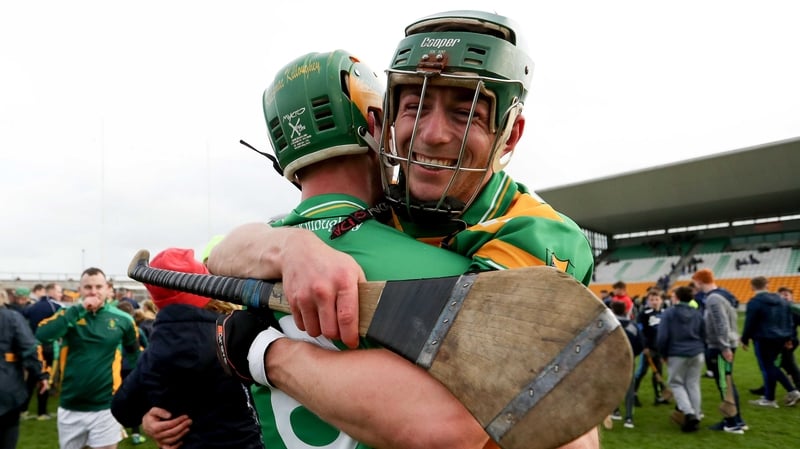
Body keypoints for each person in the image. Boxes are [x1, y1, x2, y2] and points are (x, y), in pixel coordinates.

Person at [206, 10, 596, 449]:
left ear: (511, 133)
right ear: (384, 121)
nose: (432, 135)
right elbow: (220, 254)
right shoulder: (379, 207)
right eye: (415, 107)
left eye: (465, 112)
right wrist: (291, 248)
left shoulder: (540, 233)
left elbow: (461, 412)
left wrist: (266, 354)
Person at [112, 248, 264, 449]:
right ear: (205, 284)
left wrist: (146, 416)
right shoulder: (237, 330)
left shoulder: (155, 353)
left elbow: (123, 409)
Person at [36, 267, 141, 449]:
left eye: (99, 286)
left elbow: (134, 354)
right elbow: (43, 335)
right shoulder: (69, 314)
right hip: (71, 405)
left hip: (106, 406)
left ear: (108, 289)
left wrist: (129, 386)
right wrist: (79, 309)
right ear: (80, 290)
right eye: (88, 287)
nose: (94, 291)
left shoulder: (123, 319)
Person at [694, 268, 747, 433]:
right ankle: (737, 419)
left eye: (696, 282)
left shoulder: (713, 299)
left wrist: (723, 346)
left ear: (700, 281)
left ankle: (732, 422)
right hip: (726, 343)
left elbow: (720, 323)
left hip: (719, 346)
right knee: (727, 383)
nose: (695, 286)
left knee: (724, 384)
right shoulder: (723, 295)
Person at [741, 276, 800, 408]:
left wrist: (745, 338)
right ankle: (770, 397)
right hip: (781, 338)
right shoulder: (781, 301)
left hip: (764, 338)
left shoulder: (755, 302)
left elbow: (750, 322)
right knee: (772, 366)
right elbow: (788, 321)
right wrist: (789, 338)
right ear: (767, 285)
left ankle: (790, 392)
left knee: (768, 367)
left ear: (752, 287)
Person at [0, 289, 49, 449]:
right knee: (7, 434)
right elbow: (29, 350)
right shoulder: (12, 318)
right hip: (7, 387)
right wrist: (41, 375)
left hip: (6, 383)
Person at [656, 286, 705, 432]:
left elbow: (663, 336)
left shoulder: (669, 313)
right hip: (697, 352)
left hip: (677, 352)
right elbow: (703, 333)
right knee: (693, 384)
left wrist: (663, 354)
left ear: (676, 297)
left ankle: (688, 413)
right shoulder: (697, 313)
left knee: (676, 383)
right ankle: (696, 414)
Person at [21, 282, 62, 420]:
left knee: (31, 380)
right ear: (50, 292)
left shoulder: (32, 307)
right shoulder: (54, 306)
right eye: (58, 291)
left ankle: (23, 410)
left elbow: (23, 317)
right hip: (47, 347)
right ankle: (42, 412)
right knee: (45, 377)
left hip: (32, 347)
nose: (60, 294)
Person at [610, 300, 644, 429]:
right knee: (629, 388)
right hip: (628, 360)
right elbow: (641, 344)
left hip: (612, 361)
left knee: (613, 387)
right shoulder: (633, 326)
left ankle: (615, 410)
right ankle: (629, 418)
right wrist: (633, 354)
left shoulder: (610, 325)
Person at [633, 288, 669, 406]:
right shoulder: (644, 314)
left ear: (661, 300)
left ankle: (658, 396)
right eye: (651, 299)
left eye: (656, 299)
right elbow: (640, 331)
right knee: (641, 372)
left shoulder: (664, 313)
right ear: (648, 301)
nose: (654, 302)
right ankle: (633, 394)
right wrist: (644, 347)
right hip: (648, 349)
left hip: (659, 349)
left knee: (658, 373)